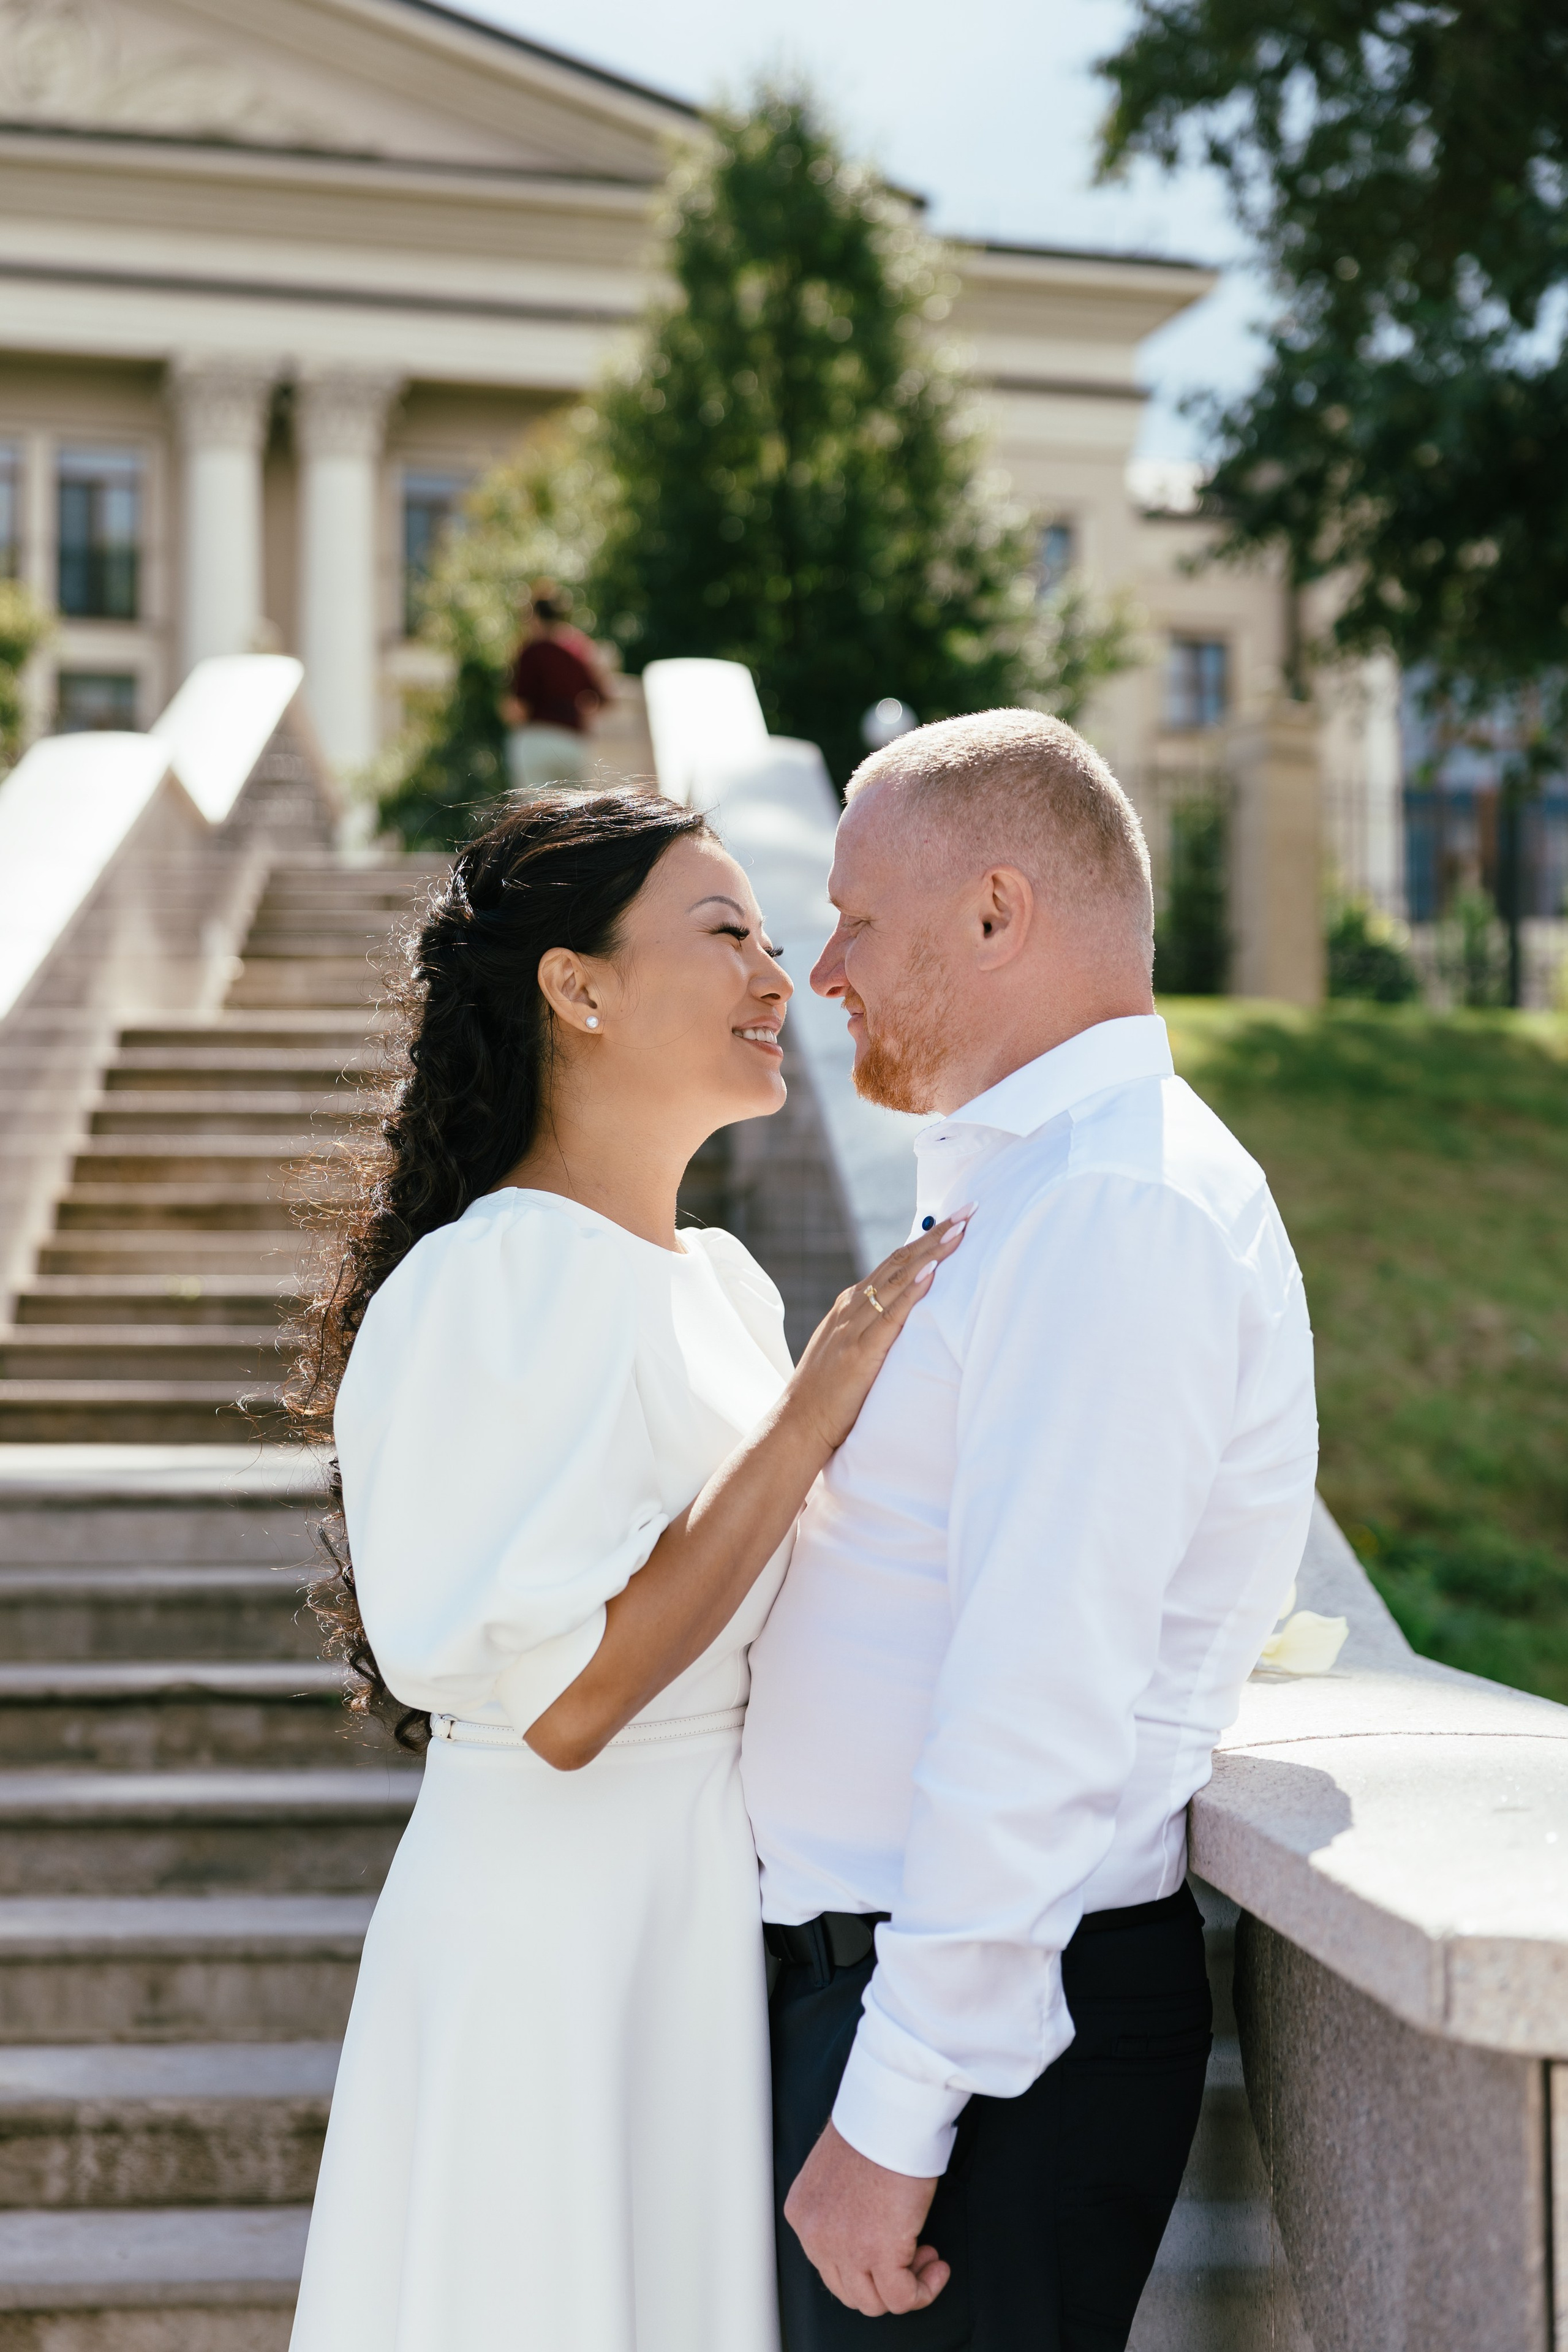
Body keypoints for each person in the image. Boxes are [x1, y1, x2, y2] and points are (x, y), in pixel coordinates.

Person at [287, 788, 966, 2352]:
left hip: (694, 1929)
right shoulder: (495, 1276)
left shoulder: (717, 1285)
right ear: (575, 986)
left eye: (773, 938)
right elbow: (574, 1700)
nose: (775, 978)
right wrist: (815, 1403)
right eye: (725, 932)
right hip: (552, 1939)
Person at [742, 709, 1319, 2351]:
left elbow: (1040, 1701)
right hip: (901, 2007)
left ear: (998, 914)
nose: (821, 965)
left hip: (966, 2052)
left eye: (857, 915)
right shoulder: (1030, 1183)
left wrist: (889, 2117)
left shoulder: (1112, 1207)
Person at [499, 584, 609, 796]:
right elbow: (602, 697)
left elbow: (519, 710)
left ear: (535, 616)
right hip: (573, 743)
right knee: (576, 820)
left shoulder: (531, 651)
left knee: (534, 818)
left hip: (536, 741)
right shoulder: (578, 649)